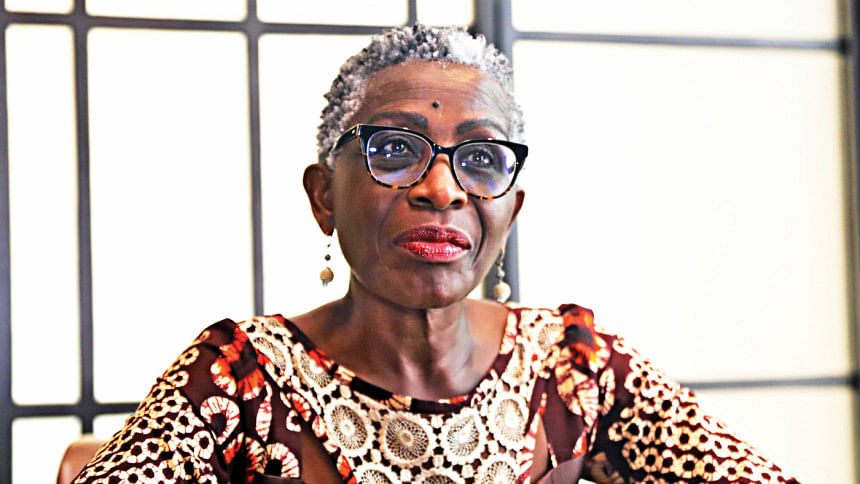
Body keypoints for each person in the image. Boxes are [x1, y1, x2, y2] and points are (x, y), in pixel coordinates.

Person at [73, 24, 799, 484]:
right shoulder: (240, 377)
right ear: (324, 196)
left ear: (511, 210)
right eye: (394, 151)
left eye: (480, 159)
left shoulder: (576, 366)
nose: (442, 189)